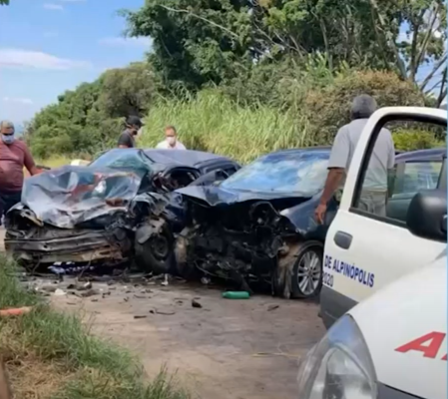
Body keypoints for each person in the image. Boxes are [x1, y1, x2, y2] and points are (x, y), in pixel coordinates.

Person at [315, 94, 395, 224]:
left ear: (352, 111)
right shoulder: (385, 133)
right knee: (376, 237)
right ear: (374, 112)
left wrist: (323, 202)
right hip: (380, 194)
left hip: (356, 195)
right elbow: (391, 168)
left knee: (354, 237)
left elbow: (337, 170)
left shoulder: (346, 131)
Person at [0, 120, 41, 218]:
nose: (8, 137)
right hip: (0, 191)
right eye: (5, 134)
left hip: (17, 192)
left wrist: (41, 182)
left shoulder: (21, 146)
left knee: (16, 222)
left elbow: (32, 167)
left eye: (11, 134)